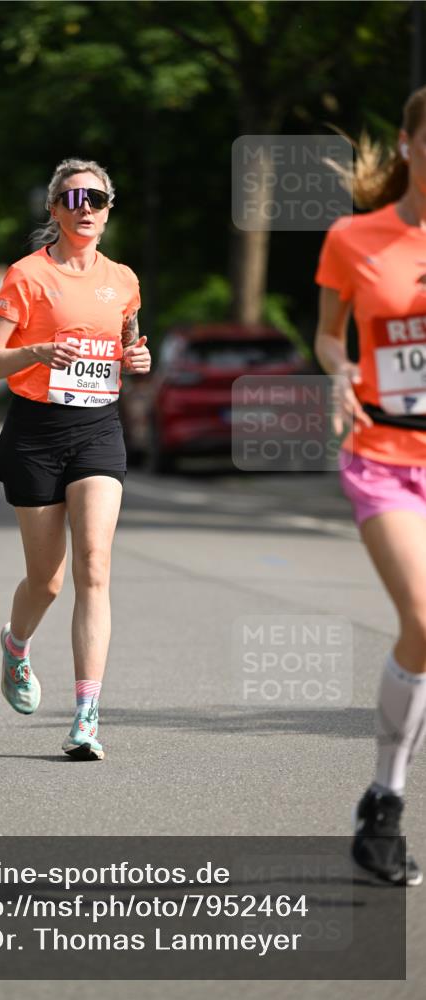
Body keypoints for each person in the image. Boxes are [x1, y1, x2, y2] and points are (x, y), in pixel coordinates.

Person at [0, 158, 150, 760]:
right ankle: (16, 645)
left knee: (94, 569)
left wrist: (137, 361)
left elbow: (129, 344)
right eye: (72, 198)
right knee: (46, 581)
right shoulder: (26, 276)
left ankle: (86, 716)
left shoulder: (123, 279)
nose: (84, 207)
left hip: (99, 429)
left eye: (95, 198)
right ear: (53, 209)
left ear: (107, 209)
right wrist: (39, 350)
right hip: (36, 433)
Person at [315, 86, 426, 885]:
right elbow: (327, 334)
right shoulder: (354, 237)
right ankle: (386, 801)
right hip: (384, 452)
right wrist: (340, 371)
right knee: (422, 616)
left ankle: (378, 802)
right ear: (407, 144)